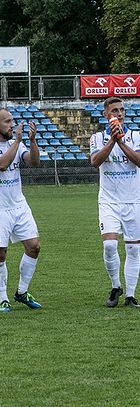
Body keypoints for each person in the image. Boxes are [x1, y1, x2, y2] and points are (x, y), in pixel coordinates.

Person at [0, 108, 41, 312]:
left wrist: (31, 141)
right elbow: (1, 164)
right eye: (7, 122)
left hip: (19, 204)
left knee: (34, 246)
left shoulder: (17, 143)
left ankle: (21, 292)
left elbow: (34, 162)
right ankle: (3, 299)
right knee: (0, 253)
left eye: (12, 121)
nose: (12, 125)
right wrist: (16, 142)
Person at [90, 96, 140, 308]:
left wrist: (121, 141)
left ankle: (130, 295)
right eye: (114, 111)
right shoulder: (98, 137)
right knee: (110, 245)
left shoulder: (136, 136)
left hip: (134, 200)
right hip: (109, 201)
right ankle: (115, 285)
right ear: (105, 115)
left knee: (134, 250)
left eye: (121, 110)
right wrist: (112, 140)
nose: (118, 114)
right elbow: (95, 162)